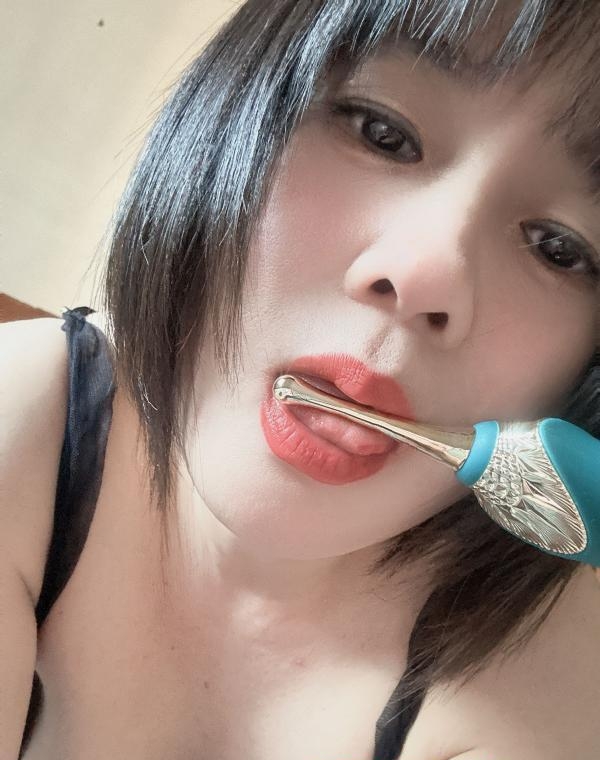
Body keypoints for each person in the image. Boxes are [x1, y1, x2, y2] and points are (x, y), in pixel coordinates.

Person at [3, 1, 600, 758]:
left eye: (557, 247)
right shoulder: (26, 415)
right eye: (380, 132)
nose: (425, 275)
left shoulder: (555, 679)